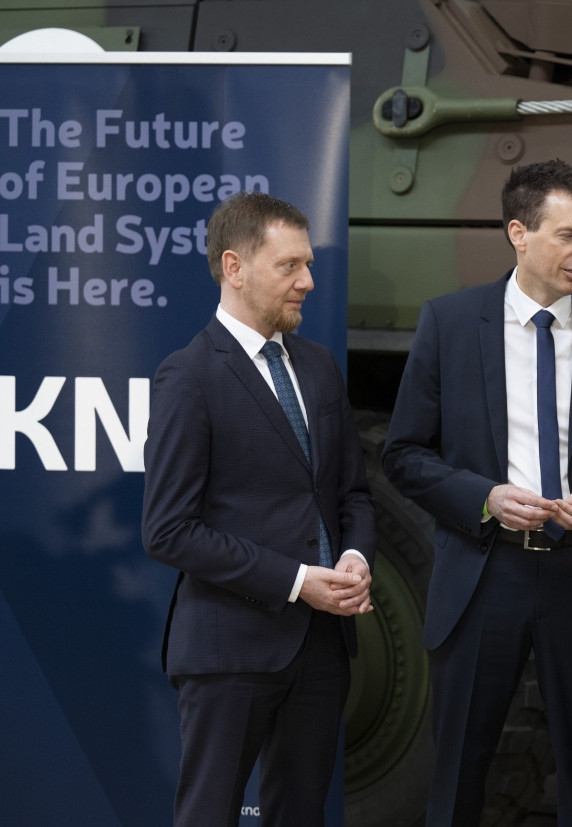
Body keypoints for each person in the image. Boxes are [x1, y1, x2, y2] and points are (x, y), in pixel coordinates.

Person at [381, 159, 572, 826]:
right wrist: (485, 497)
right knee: (457, 779)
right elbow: (405, 454)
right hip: (483, 575)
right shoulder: (447, 322)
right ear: (518, 233)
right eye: (568, 235)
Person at [142, 191, 376, 827]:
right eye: (290, 266)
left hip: (323, 650)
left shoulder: (320, 367)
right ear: (234, 268)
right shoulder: (188, 376)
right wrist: (299, 582)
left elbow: (350, 492)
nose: (308, 280)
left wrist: (354, 557)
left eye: (308, 264)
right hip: (229, 650)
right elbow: (168, 531)